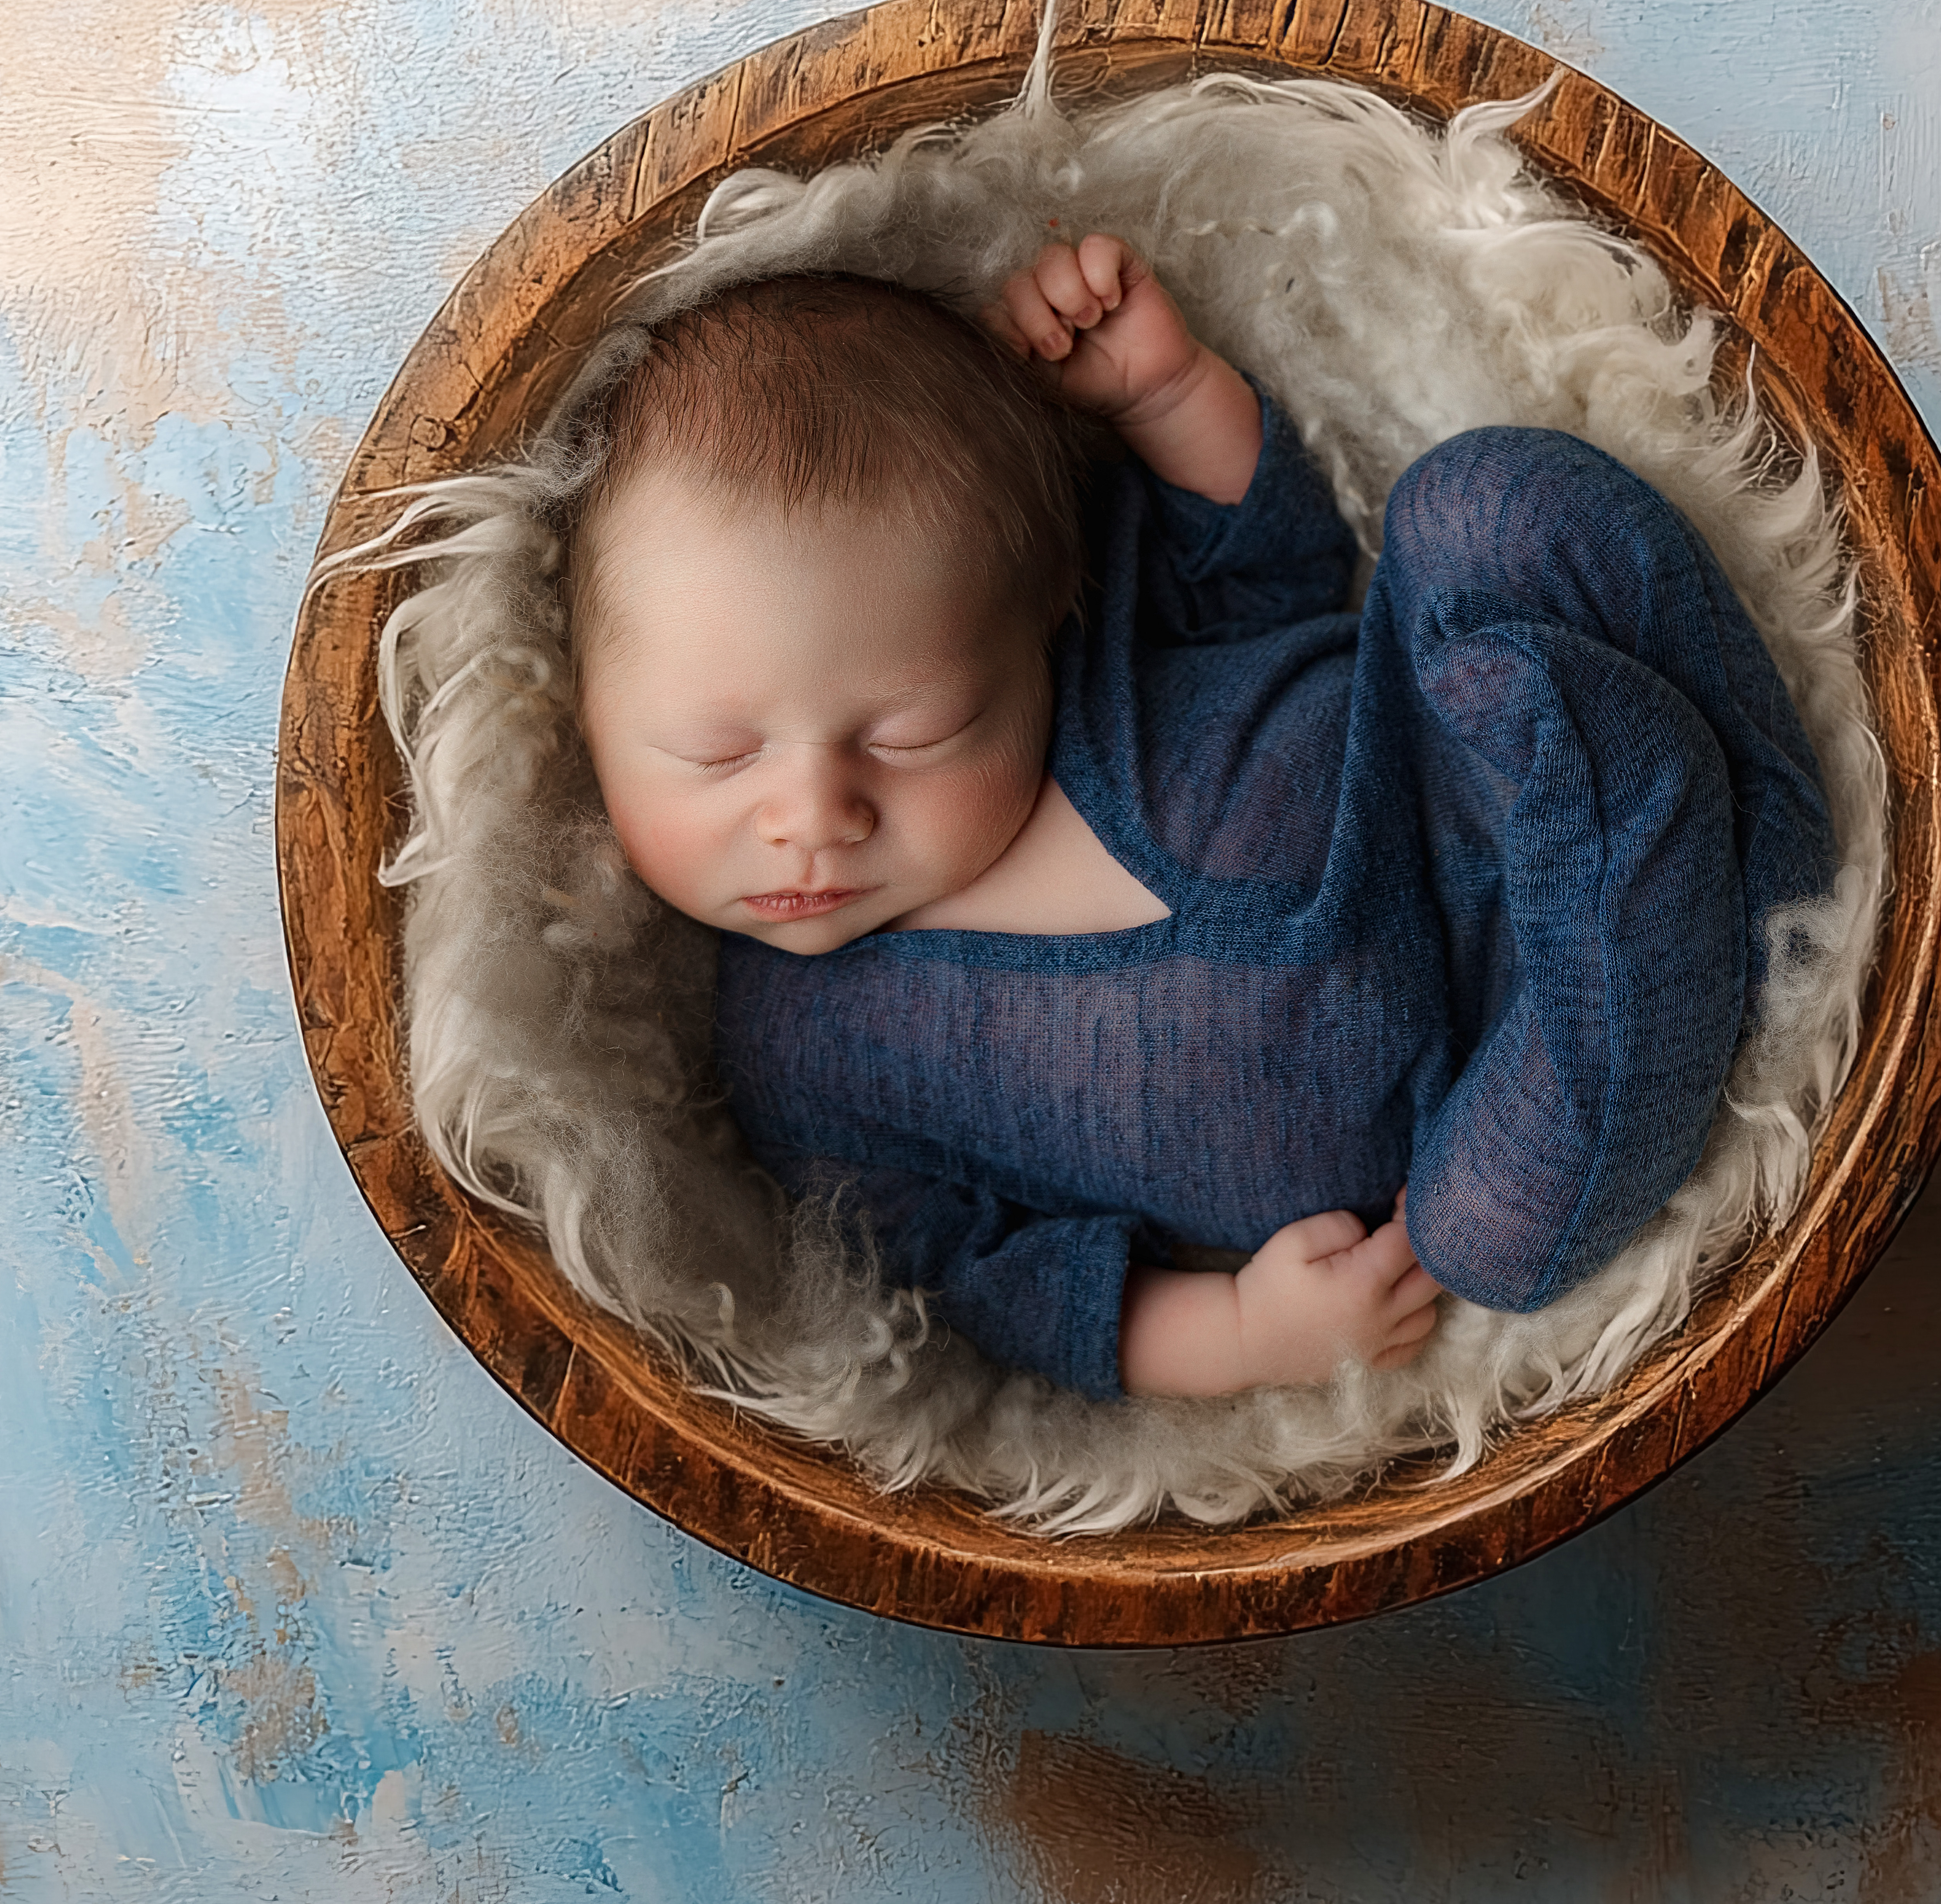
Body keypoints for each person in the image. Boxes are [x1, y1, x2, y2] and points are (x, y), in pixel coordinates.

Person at [571, 237, 1833, 1400]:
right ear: (590, 718)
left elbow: (1271, 573)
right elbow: (978, 1280)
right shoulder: (801, 1066)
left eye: (911, 736)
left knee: (1478, 503)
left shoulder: (1097, 642)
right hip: (1496, 1061)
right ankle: (1671, 827)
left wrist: (1165, 396)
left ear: (1034, 645)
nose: (811, 814)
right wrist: (1239, 1337)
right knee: (1491, 1233)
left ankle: (1722, 829)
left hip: (1439, 742)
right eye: (715, 753)